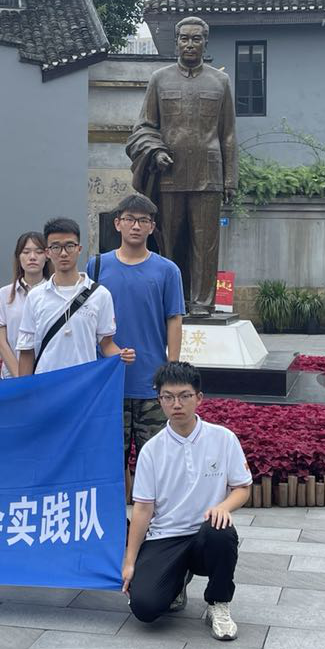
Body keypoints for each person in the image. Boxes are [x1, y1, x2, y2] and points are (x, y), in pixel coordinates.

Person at [123, 361, 252, 641]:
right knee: (145, 608)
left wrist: (223, 507)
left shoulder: (223, 439)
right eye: (168, 397)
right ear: (159, 400)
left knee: (221, 530)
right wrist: (130, 561)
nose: (176, 404)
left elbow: (242, 488)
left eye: (184, 396)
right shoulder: (152, 450)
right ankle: (176, 582)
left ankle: (218, 603)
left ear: (199, 398)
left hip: (205, 536)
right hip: (166, 536)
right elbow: (143, 509)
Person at [125, 15, 237, 315]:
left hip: (208, 175)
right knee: (170, 243)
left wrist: (230, 179)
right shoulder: (159, 79)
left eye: (196, 38)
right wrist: (155, 152)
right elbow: (144, 126)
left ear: (205, 42)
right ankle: (174, 301)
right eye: (184, 38)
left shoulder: (220, 81)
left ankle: (202, 303)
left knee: (206, 245)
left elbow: (228, 134)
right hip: (169, 175)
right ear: (176, 42)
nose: (190, 44)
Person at [88, 194, 185, 464]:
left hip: (151, 382)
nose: (136, 226)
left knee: (155, 463)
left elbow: (174, 319)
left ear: (152, 227)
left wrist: (171, 370)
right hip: (109, 381)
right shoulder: (97, 266)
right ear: (117, 223)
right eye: (129, 219)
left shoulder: (167, 270)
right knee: (109, 461)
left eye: (143, 221)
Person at [17, 217, 133, 376]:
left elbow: (106, 345)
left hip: (84, 384)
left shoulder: (100, 295)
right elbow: (26, 351)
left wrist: (121, 355)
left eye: (70, 246)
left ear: (79, 249)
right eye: (56, 247)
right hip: (46, 384)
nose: (63, 253)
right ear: (48, 252)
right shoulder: (35, 296)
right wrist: (24, 389)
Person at [0, 231, 49, 378]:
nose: (32, 257)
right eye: (26, 252)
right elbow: (1, 341)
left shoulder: (54, 294)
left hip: (47, 375)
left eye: (39, 252)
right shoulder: (4, 295)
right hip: (13, 378)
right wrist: (21, 377)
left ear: (47, 255)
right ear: (18, 256)